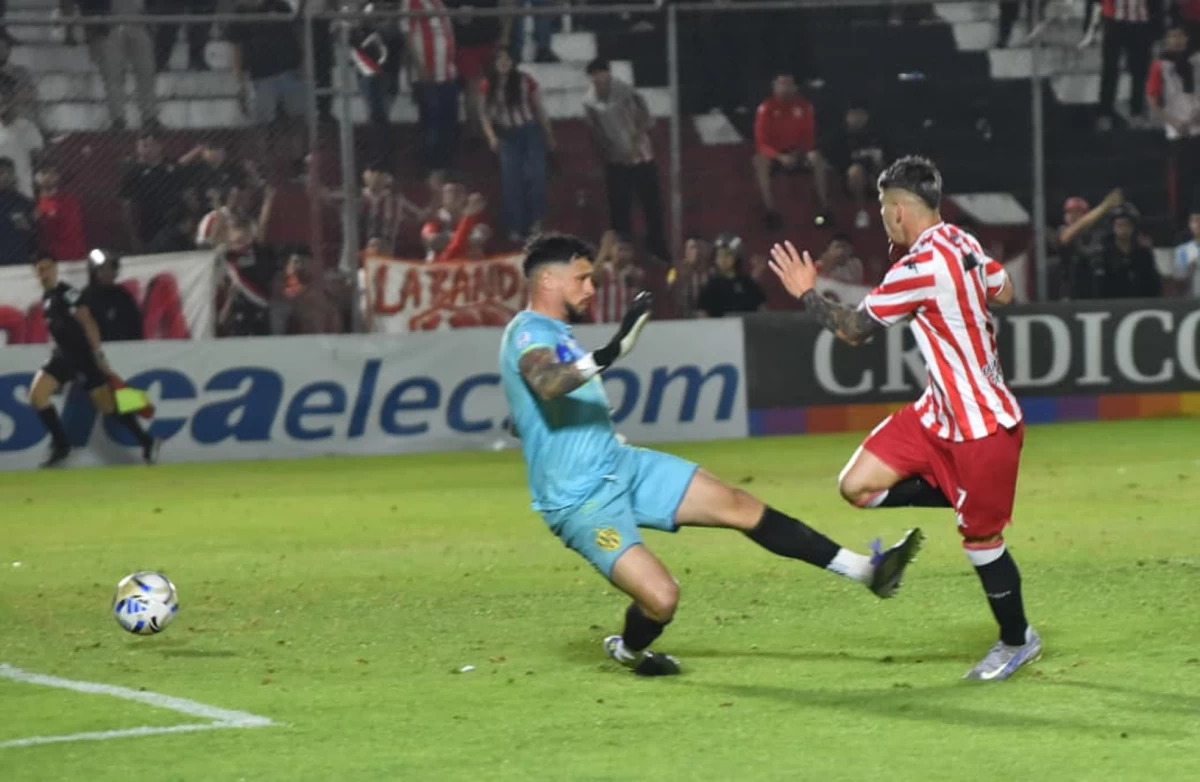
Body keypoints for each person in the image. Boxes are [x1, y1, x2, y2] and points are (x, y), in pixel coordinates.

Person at [498, 232, 923, 677]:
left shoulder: (556, 333)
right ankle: (627, 651)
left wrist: (534, 421)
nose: (591, 289)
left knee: (739, 505)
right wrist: (610, 352)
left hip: (621, 466)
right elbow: (546, 382)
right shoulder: (529, 331)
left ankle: (865, 571)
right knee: (661, 599)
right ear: (547, 279)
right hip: (581, 501)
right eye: (583, 279)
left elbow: (541, 397)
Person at [769, 156, 1038, 681]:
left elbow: (851, 330)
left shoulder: (918, 268)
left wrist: (806, 291)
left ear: (897, 210)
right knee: (859, 486)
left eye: (883, 208)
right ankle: (962, 493)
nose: (884, 218)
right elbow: (1005, 291)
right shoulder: (963, 242)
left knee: (983, 545)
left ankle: (1016, 640)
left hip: (982, 427)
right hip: (937, 413)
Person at [28, 253, 160, 468]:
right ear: (34, 273)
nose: (44, 273)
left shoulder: (66, 293)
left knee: (108, 407)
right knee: (37, 395)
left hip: (82, 357)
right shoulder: (46, 298)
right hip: (62, 356)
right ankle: (61, 445)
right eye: (40, 269)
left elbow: (88, 322)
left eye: (47, 268)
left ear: (56, 269)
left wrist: (98, 355)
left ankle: (147, 441)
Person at [479, 47, 556, 242]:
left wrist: (549, 135)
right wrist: (491, 137)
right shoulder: (488, 85)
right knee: (511, 182)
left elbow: (538, 108)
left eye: (507, 59)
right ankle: (515, 226)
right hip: (506, 136)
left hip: (529, 132)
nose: (504, 63)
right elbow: (485, 115)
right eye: (500, 60)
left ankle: (535, 223)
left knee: (535, 176)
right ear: (494, 64)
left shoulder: (525, 80)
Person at [698, 233, 767, 318]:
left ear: (736, 257)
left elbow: (762, 309)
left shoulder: (748, 283)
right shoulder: (710, 285)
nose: (723, 259)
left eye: (728, 254)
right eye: (720, 255)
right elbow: (702, 312)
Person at [82, 249, 143, 342]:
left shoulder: (123, 296)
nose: (107, 273)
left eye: (111, 268)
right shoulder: (85, 298)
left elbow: (136, 328)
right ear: (94, 272)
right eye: (102, 269)